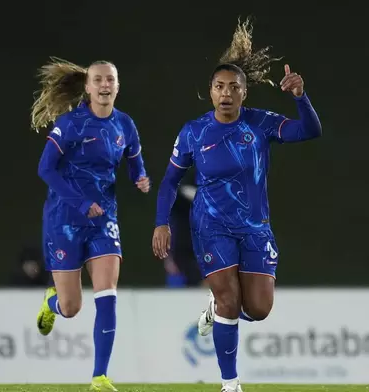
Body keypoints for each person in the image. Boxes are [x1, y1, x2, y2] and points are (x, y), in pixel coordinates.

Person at [151, 18, 322, 392]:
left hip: (255, 227)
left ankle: (217, 308)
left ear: (244, 93)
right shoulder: (193, 132)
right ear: (210, 92)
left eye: (233, 87)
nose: (225, 93)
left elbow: (310, 131)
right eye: (219, 87)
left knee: (258, 309)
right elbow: (169, 180)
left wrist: (300, 98)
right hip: (211, 225)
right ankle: (231, 385)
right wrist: (161, 222)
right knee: (229, 297)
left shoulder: (260, 124)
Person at [31, 57, 150, 391]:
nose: (104, 85)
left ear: (117, 85)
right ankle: (51, 303)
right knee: (71, 307)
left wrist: (140, 177)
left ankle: (99, 376)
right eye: (98, 80)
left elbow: (134, 163)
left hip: (104, 221)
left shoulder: (125, 125)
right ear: (87, 86)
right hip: (65, 221)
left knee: (107, 294)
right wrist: (81, 202)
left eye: (110, 80)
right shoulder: (70, 124)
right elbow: (46, 169)